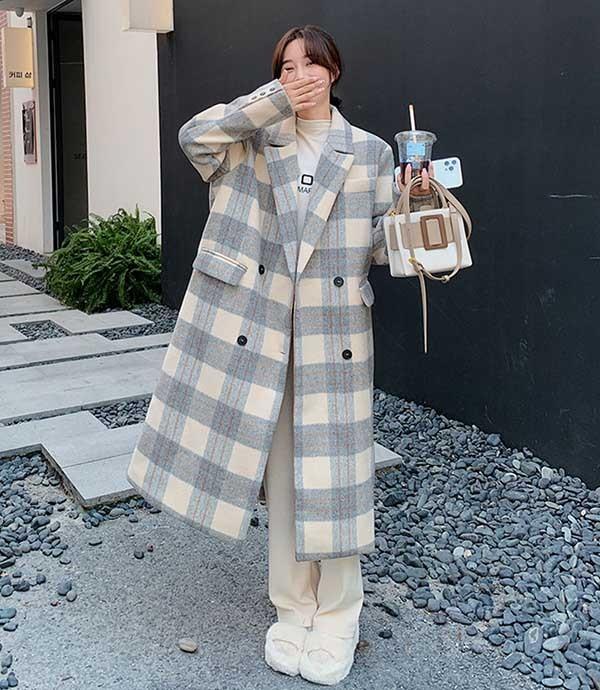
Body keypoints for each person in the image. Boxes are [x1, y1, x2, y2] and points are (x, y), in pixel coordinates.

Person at [259, 25, 436, 686]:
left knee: (337, 474)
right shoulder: (260, 143)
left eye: (311, 64)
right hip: (274, 333)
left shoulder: (369, 151)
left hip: (337, 332)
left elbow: (384, 249)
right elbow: (196, 137)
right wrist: (265, 104)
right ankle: (291, 605)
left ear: (334, 71)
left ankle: (337, 613)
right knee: (283, 475)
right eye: (286, 66)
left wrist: (417, 201)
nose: (299, 75)